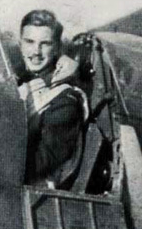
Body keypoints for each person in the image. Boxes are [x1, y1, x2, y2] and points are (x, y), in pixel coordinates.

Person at [17, 10, 88, 188]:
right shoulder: (16, 79)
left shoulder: (64, 99)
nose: (36, 52)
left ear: (56, 47)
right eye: (29, 42)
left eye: (45, 44)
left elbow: (42, 162)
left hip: (30, 191)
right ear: (20, 44)